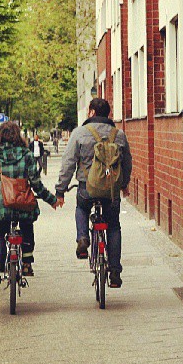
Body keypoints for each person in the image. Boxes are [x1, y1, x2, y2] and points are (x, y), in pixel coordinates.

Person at [55, 98, 132, 288]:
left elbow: (68, 163)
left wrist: (60, 190)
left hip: (87, 189)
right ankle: (115, 271)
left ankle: (83, 238)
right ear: (108, 114)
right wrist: (124, 185)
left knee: (81, 208)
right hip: (111, 191)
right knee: (113, 226)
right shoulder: (119, 135)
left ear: (91, 112)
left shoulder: (80, 133)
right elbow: (127, 163)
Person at [0, 121, 58, 286]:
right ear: (18, 136)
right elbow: (36, 183)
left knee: (0, 235)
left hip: (1, 205)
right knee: (27, 227)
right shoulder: (27, 155)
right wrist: (51, 199)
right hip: (23, 204)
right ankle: (26, 263)